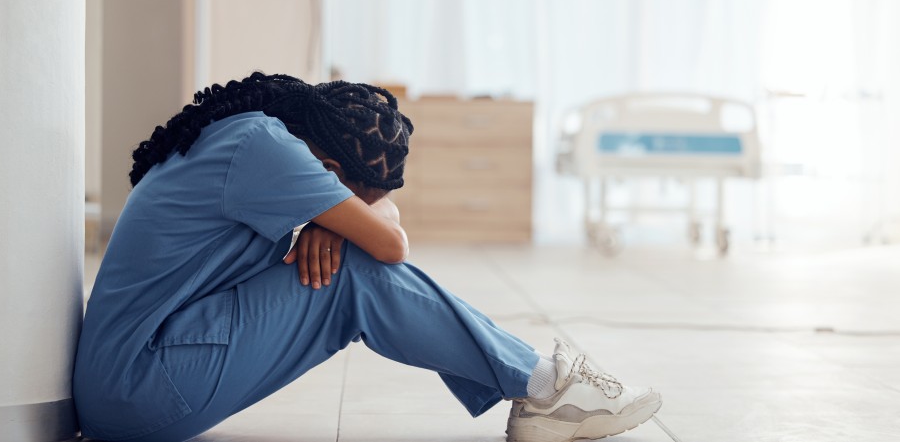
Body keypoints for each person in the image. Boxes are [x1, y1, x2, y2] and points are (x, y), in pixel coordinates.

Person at [72, 73, 661, 442]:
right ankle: (542, 387)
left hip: (139, 379)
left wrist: (338, 222)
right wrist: (349, 227)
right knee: (354, 277)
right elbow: (390, 245)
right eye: (356, 194)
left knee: (349, 262)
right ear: (326, 171)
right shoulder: (262, 148)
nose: (365, 206)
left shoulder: (254, 136)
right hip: (140, 387)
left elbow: (384, 221)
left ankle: (536, 390)